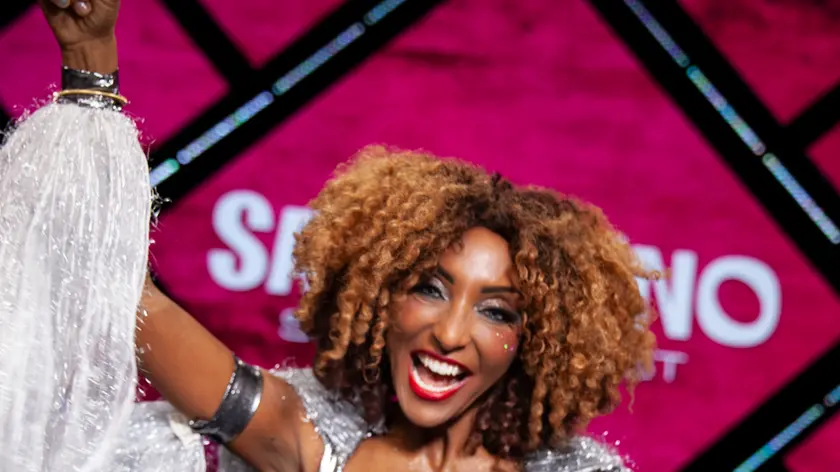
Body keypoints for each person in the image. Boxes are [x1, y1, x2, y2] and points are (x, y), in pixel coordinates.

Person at [1, 1, 656, 471]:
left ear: (532, 342)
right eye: (429, 289)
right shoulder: (307, 440)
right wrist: (90, 61)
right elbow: (118, 293)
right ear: (380, 299)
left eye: (496, 311)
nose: (451, 333)